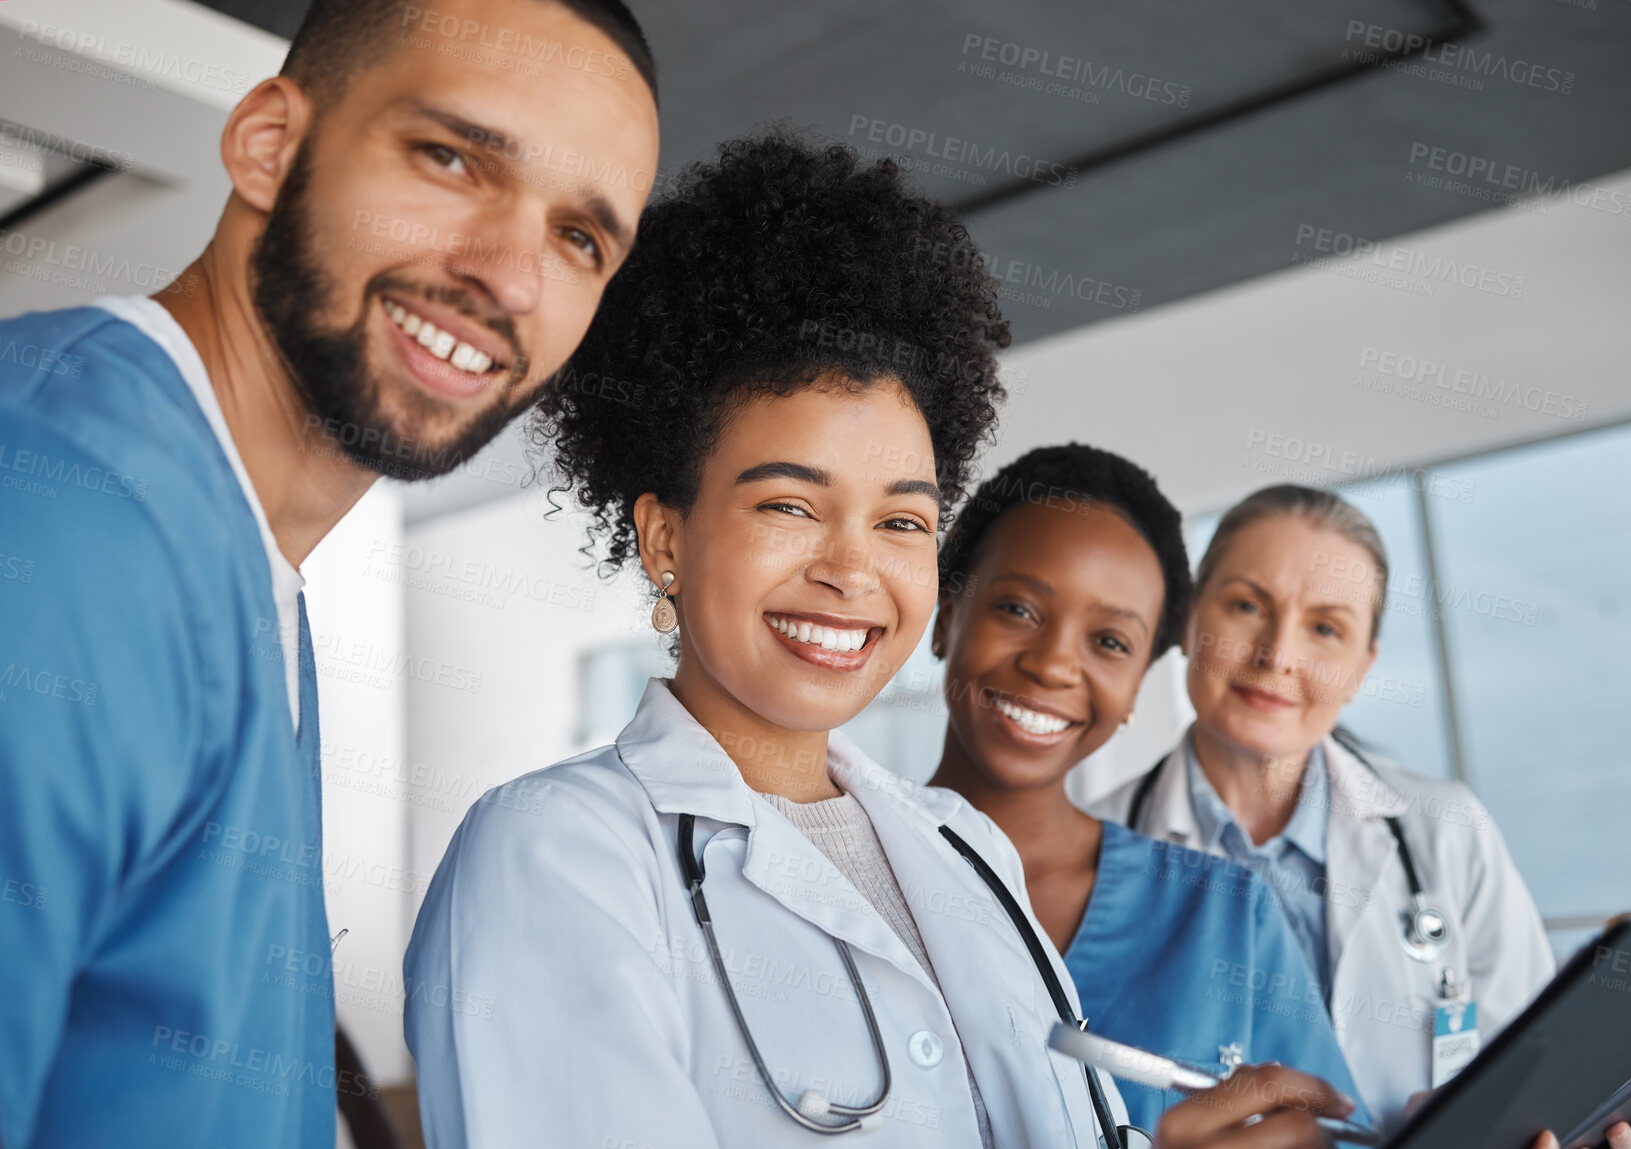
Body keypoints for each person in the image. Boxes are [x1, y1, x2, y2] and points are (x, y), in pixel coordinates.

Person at [403, 134, 1356, 1149]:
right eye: (789, 505)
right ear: (665, 536)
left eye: (902, 522)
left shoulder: (962, 849)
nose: (853, 571)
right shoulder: (556, 851)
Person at [0, 0, 659, 1144]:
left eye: (579, 239)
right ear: (270, 144)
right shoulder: (55, 510)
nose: (508, 275)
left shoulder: (253, 571)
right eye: (452, 158)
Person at [1087, 484, 1631, 1149]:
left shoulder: (1447, 830)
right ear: (1188, 617)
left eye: (1325, 627)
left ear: (1361, 667)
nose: (1279, 654)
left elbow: (1538, 1084)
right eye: (1245, 605)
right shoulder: (1086, 854)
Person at [925, 444, 1374, 1136]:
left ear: (1137, 684)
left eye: (1109, 642)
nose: (1051, 664)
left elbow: (1342, 1134)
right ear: (946, 612)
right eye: (1017, 607)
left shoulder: (1227, 913)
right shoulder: (825, 876)